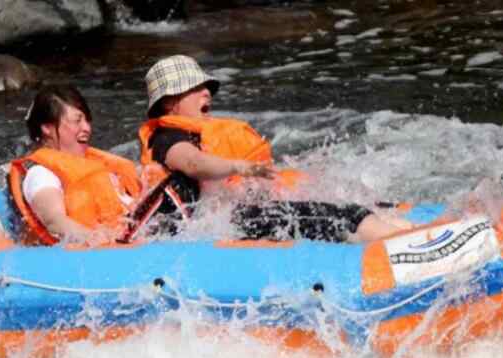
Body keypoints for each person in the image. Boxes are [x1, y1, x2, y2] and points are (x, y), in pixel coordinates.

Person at [138, 55, 412, 243]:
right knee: (335, 216)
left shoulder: (199, 134)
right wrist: (238, 166)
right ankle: (400, 244)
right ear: (170, 103)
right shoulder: (166, 137)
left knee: (324, 199)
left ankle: (402, 228)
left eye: (206, 87)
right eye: (195, 88)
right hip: (211, 229)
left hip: (224, 220)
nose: (207, 93)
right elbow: (194, 164)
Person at [9, 84, 143, 245]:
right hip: (95, 253)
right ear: (47, 128)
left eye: (87, 120)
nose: (87, 127)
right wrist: (93, 238)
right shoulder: (41, 174)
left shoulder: (96, 163)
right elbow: (55, 221)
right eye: (77, 121)